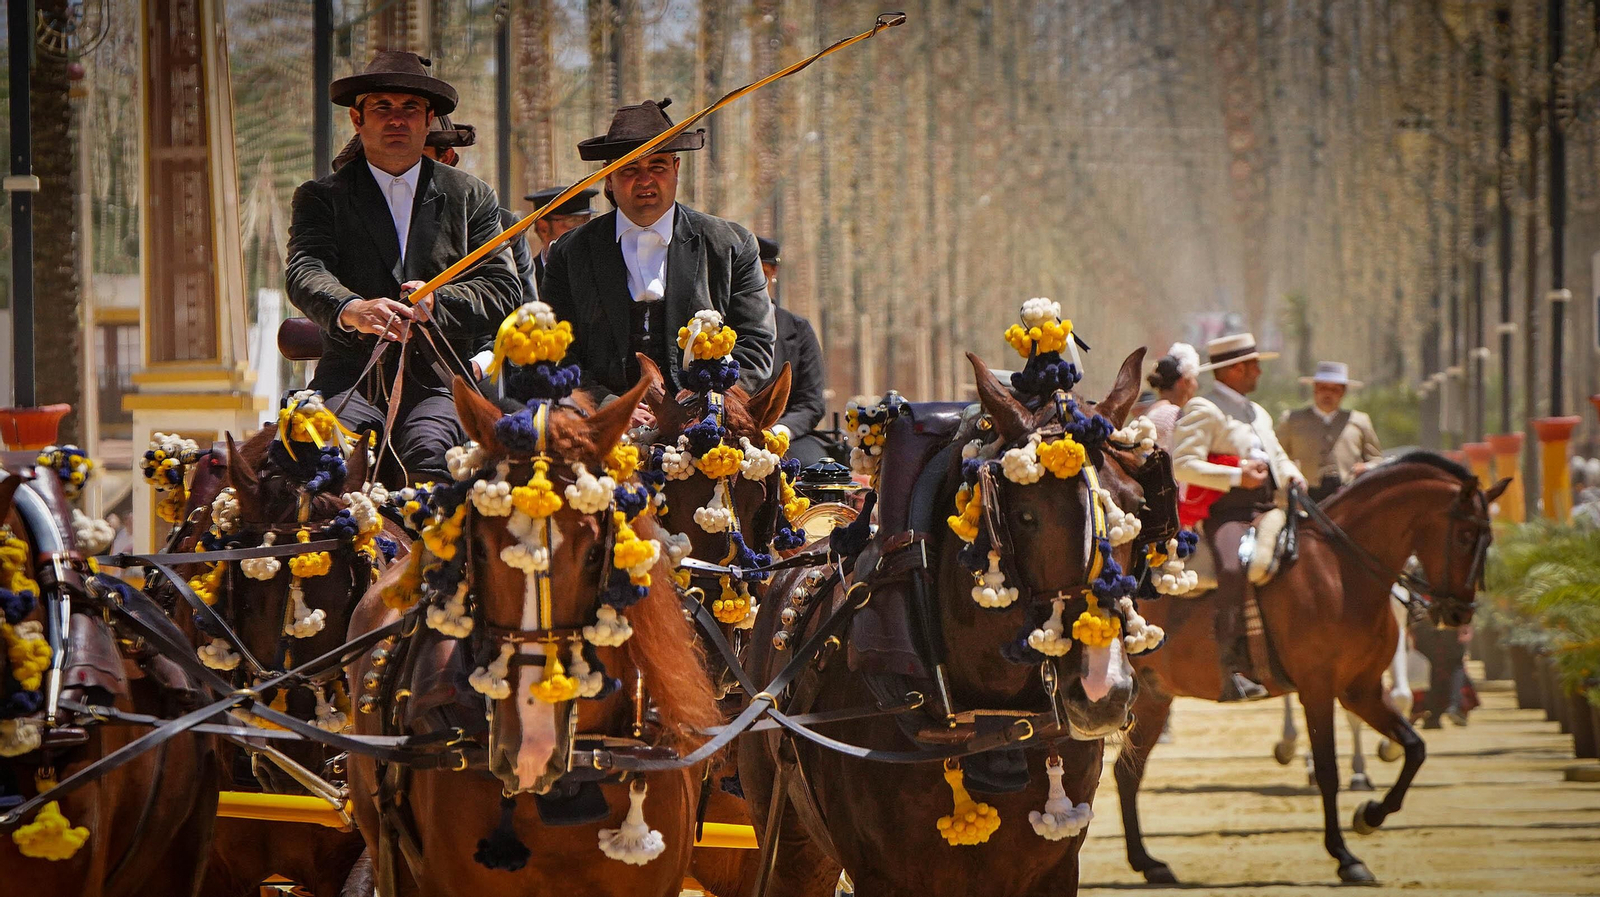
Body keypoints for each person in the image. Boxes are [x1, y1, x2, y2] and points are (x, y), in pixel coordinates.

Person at [285, 51, 521, 485]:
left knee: (432, 458)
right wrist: (352, 309)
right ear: (358, 119)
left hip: (440, 382)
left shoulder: (471, 196)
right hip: (350, 379)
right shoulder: (322, 197)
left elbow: (504, 287)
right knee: (322, 460)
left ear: (429, 118)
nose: (397, 119)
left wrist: (438, 301)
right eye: (382, 108)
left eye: (410, 108)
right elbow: (305, 270)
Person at [539, 98, 775, 418]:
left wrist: (703, 402)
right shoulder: (570, 253)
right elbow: (556, 352)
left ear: (676, 169)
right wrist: (610, 407)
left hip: (707, 422)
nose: (645, 180)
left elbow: (755, 347)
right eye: (630, 169)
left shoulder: (732, 246)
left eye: (658, 167)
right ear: (608, 179)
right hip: (600, 425)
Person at [1171, 332, 1306, 701]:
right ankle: (1230, 667)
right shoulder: (1203, 408)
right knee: (1233, 566)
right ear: (1234, 370)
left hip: (1269, 508)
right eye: (1253, 365)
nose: (1259, 372)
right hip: (1227, 513)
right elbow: (1183, 465)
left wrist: (1293, 475)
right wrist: (1237, 476)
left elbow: (1275, 455)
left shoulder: (1256, 411)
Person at [756, 237, 829, 466]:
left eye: (760, 275)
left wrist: (779, 432)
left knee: (810, 468)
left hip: (785, 436)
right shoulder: (715, 331)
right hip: (726, 438)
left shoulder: (798, 330)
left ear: (773, 272)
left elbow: (811, 403)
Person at [1277, 361, 1383, 502]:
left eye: (1335, 390)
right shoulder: (1292, 420)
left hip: (1347, 496)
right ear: (1315, 389)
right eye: (1323, 388)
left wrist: (1366, 467)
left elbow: (1376, 460)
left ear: (1343, 392)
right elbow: (1277, 457)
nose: (1328, 394)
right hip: (1304, 498)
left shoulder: (1359, 421)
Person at [525, 185, 598, 292]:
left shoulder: (603, 272)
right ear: (543, 228)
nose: (584, 230)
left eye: (587, 220)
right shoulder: (525, 282)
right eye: (573, 221)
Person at [1144, 342, 1201, 449]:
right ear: (1183, 382)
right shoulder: (1173, 415)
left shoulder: (1151, 409)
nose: (1196, 385)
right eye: (1194, 379)